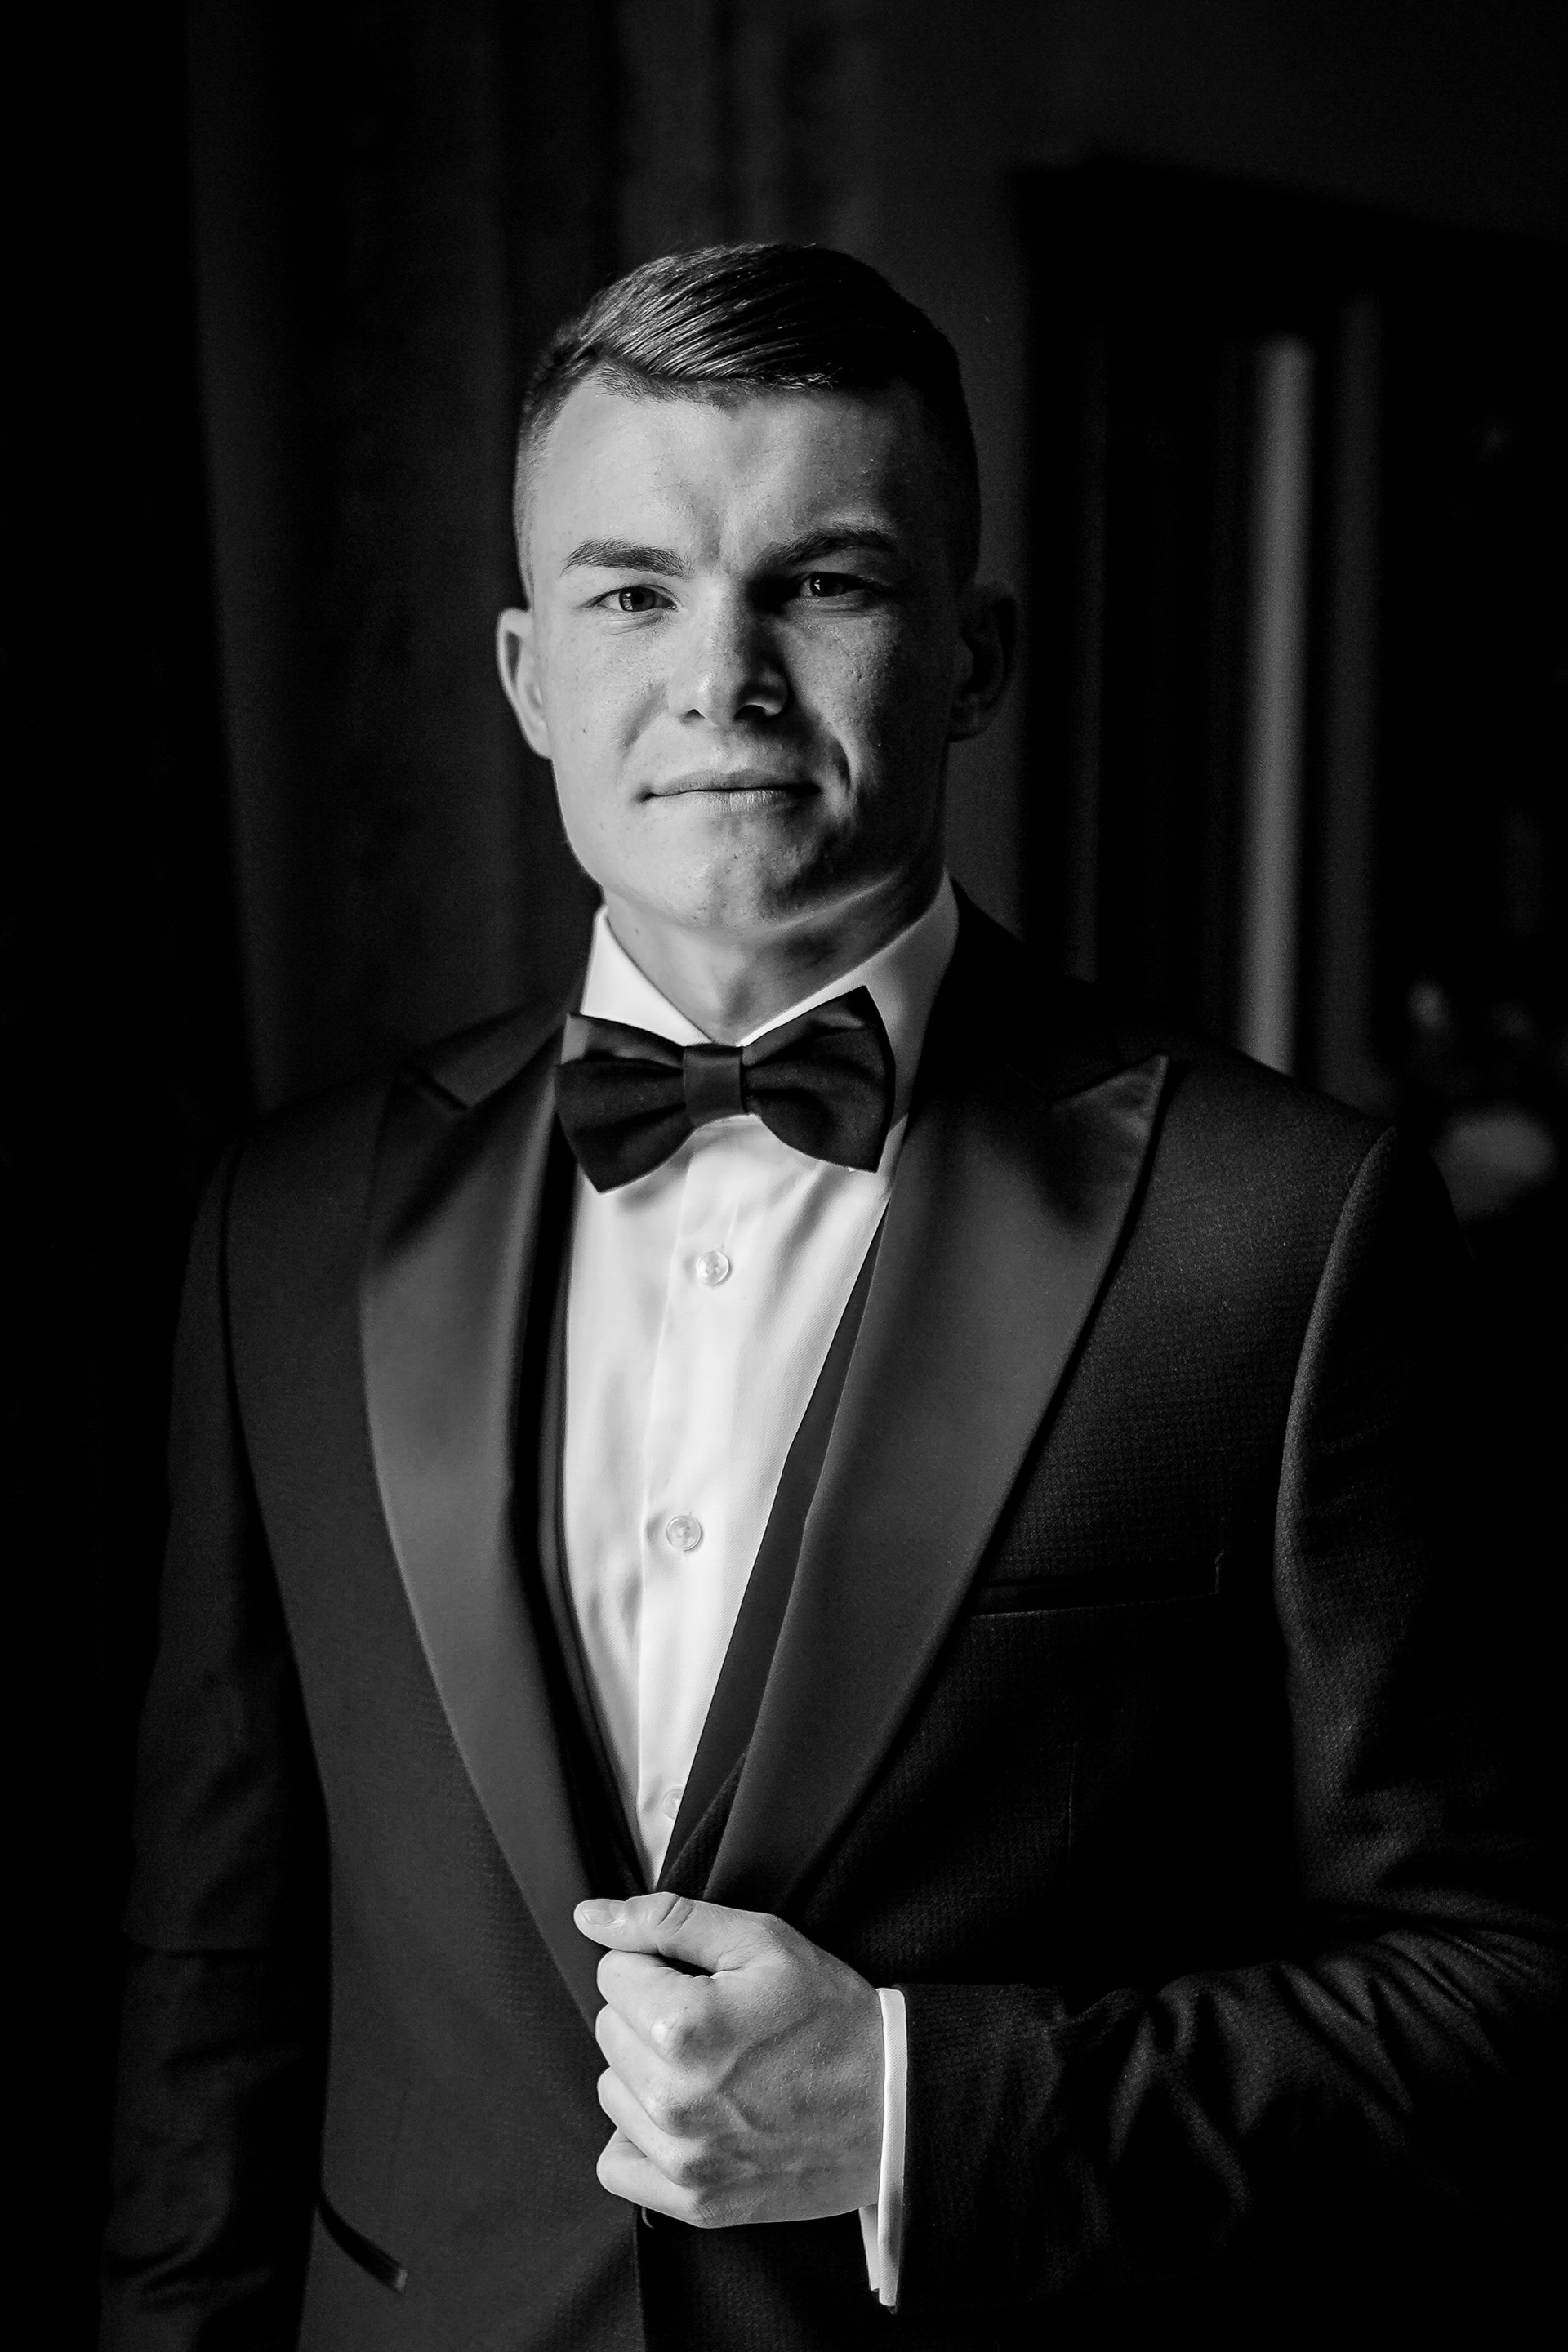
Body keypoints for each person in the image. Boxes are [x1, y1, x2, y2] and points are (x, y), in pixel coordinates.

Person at [101, 243, 1560, 2352]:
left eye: (825, 583)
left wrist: (916, 2108)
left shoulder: (1284, 1235)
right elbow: (210, 1997)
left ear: (973, 657)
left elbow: (1502, 1997)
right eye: (632, 593)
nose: (724, 679)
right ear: (525, 675)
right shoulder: (291, 1226)